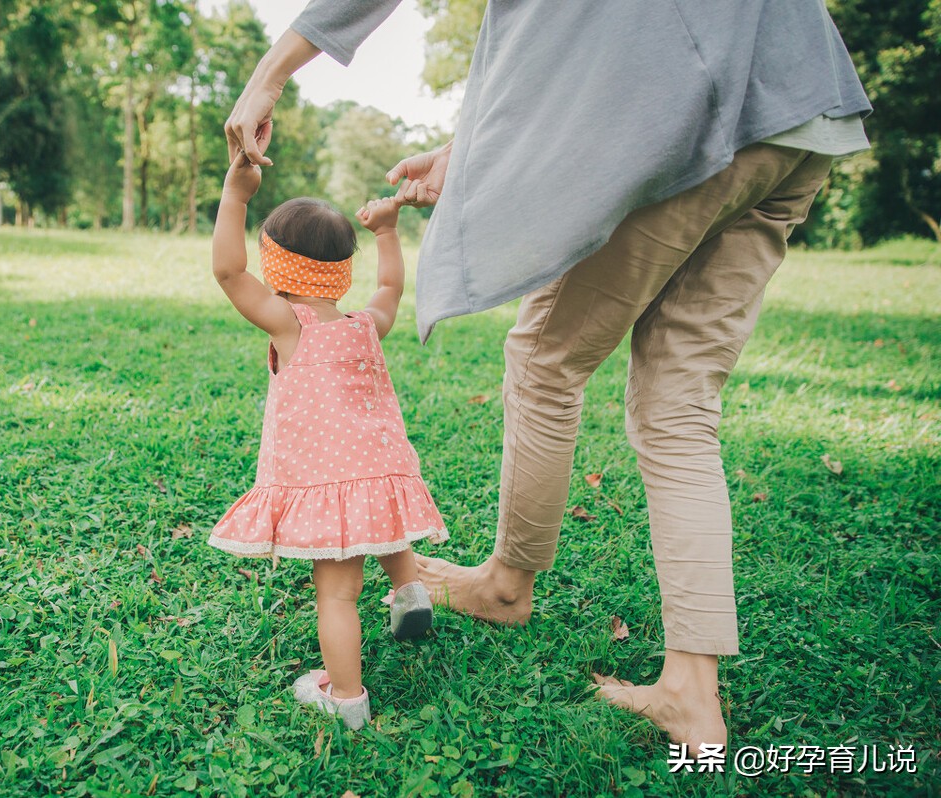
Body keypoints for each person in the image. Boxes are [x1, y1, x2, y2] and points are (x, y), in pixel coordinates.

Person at [223, 0, 871, 756]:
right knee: (680, 409)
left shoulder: (289, 323)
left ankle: (507, 585)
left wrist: (271, 74)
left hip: (696, 112)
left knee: (545, 363)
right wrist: (464, 151)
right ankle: (693, 693)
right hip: (804, 102)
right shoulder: (362, 321)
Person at [207, 147, 449, 730]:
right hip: (381, 467)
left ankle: (346, 698)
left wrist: (235, 195)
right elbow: (390, 283)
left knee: (337, 596)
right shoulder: (367, 323)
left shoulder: (289, 325)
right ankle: (409, 589)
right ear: (340, 270)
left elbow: (227, 272)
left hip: (326, 481)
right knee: (382, 522)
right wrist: (388, 231)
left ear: (279, 266)